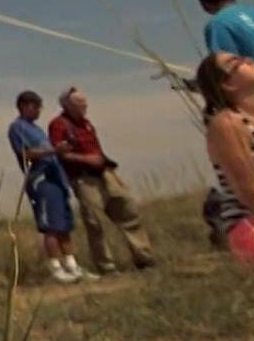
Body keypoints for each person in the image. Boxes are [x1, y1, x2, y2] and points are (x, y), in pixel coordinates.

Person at [47, 86, 155, 273]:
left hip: (104, 173)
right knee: (95, 222)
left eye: (85, 103)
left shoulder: (87, 124)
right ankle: (107, 266)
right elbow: (60, 153)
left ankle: (144, 258)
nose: (84, 107)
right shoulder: (59, 124)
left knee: (127, 210)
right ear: (67, 105)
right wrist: (85, 159)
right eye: (79, 104)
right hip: (83, 178)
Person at [195, 51, 254, 264]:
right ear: (228, 85)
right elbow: (251, 195)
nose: (250, 59)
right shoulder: (228, 124)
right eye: (236, 62)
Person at [8, 90, 83, 282]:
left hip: (57, 179)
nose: (40, 111)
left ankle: (72, 266)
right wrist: (54, 150)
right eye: (37, 107)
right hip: (41, 180)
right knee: (50, 226)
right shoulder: (17, 128)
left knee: (63, 224)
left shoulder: (38, 129)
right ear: (26, 106)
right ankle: (56, 268)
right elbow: (26, 153)